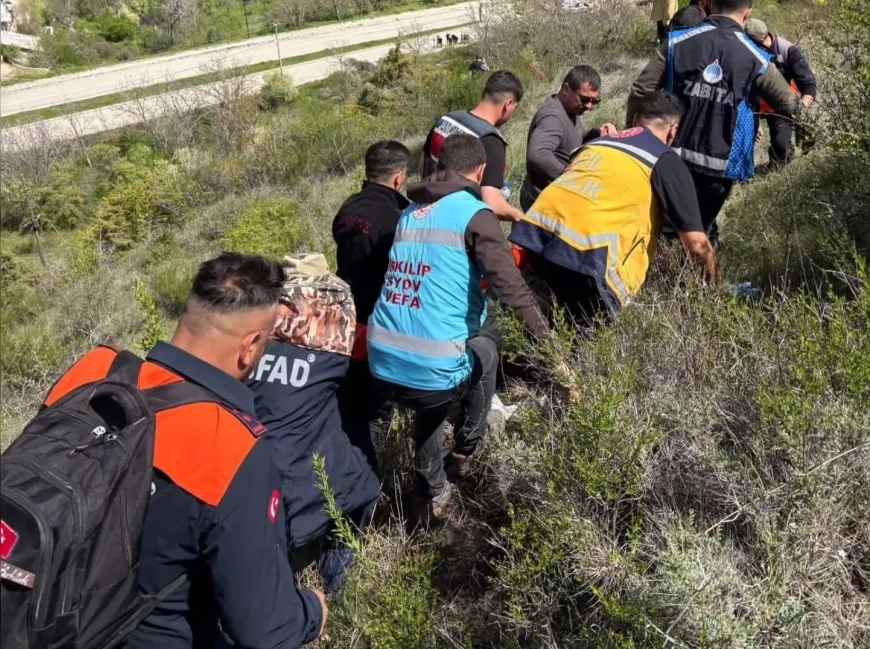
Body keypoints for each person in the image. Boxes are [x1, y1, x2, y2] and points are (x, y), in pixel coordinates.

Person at [57, 254, 326, 648]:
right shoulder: (231, 446)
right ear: (250, 346)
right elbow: (264, 630)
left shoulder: (92, 370)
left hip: (36, 612)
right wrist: (312, 612)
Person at [370, 134, 549, 522]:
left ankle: (430, 489)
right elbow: (510, 287)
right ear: (481, 171)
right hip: (426, 367)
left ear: (438, 166)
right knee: (485, 344)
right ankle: (467, 450)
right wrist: (549, 345)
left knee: (429, 392)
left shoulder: (410, 213)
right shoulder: (473, 214)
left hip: (381, 358)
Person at [509, 92, 719, 326]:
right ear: (673, 131)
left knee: (535, 324)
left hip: (537, 234)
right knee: (583, 343)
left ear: (636, 119)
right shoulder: (665, 159)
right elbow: (697, 245)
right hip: (590, 255)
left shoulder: (596, 143)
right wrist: (712, 292)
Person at [246, 253, 381, 596]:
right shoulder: (337, 333)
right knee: (364, 483)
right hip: (294, 496)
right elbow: (377, 348)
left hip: (244, 485)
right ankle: (333, 585)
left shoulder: (247, 340)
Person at [626, 0, 802, 247]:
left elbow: (641, 90)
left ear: (710, 5)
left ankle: (664, 272)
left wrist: (634, 137)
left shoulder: (677, 41)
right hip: (720, 165)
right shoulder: (757, 57)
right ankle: (698, 275)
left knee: (663, 227)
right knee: (701, 230)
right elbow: (788, 103)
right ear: (747, 14)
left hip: (671, 154)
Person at [332, 140, 410, 471]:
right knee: (377, 408)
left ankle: (343, 462)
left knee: (349, 402)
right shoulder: (398, 219)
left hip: (344, 317)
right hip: (379, 323)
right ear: (399, 178)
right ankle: (367, 475)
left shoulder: (347, 209)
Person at [421, 71, 526, 223]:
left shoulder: (446, 120)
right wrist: (516, 214)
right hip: (457, 225)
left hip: (425, 214)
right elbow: (492, 203)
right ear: (508, 104)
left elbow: (423, 167)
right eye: (515, 107)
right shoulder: (490, 142)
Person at [519, 65, 617, 212]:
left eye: (594, 101)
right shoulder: (554, 117)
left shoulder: (569, 110)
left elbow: (574, 140)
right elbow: (538, 154)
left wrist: (597, 134)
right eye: (584, 99)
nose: (589, 106)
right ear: (566, 89)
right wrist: (570, 177)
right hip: (542, 202)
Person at [745, 18, 817, 167]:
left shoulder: (788, 51)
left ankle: (777, 165)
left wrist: (801, 109)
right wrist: (755, 122)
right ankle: (743, 171)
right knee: (743, 138)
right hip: (755, 104)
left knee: (781, 145)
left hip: (783, 105)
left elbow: (809, 84)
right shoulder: (747, 55)